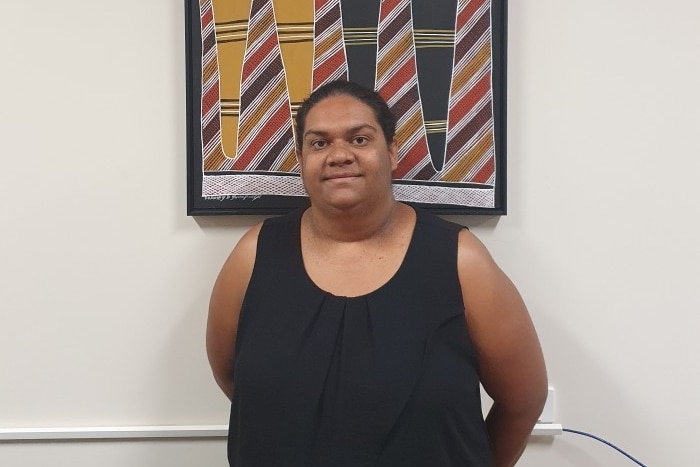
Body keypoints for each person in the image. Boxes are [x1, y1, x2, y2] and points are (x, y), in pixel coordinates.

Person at [207, 80, 547, 467]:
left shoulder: (459, 261)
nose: (339, 155)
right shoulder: (254, 256)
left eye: (359, 139)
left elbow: (524, 399)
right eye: (319, 143)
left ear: (391, 152)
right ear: (301, 161)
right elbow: (231, 376)